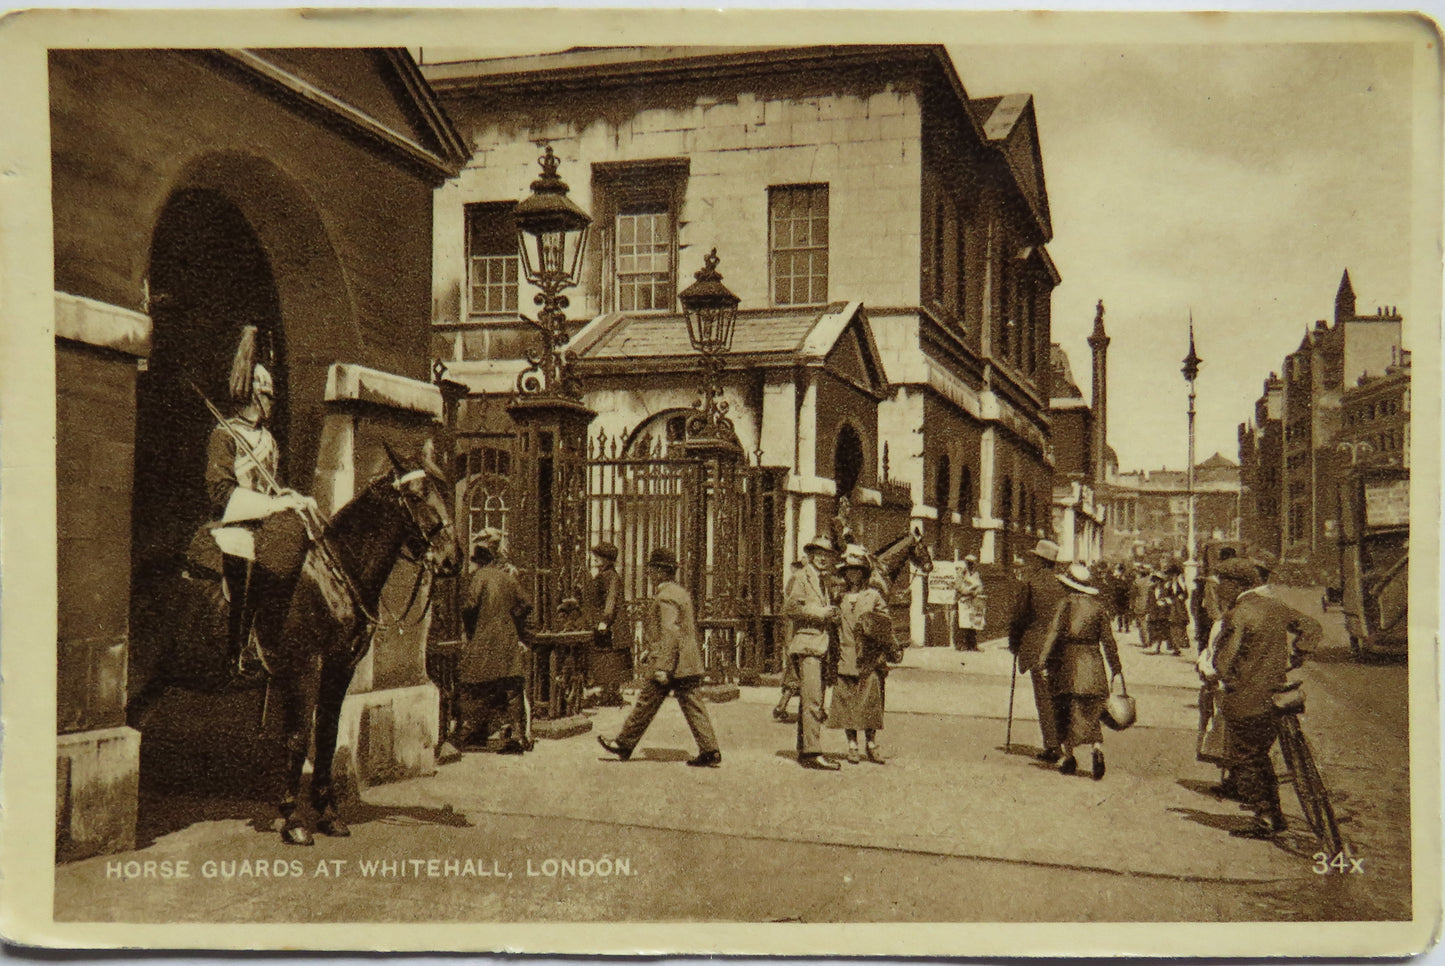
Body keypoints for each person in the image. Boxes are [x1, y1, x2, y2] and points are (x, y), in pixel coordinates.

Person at [202, 325, 314, 673]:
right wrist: (270, 505)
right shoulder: (224, 435)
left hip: (267, 526)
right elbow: (220, 491)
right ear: (255, 396)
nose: (272, 403)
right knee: (246, 566)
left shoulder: (269, 439)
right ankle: (237, 652)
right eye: (268, 397)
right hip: (235, 525)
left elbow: (273, 486)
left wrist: (290, 496)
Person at [1204, 557, 1323, 839]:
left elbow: (1222, 663)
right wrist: (1297, 656)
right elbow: (1313, 628)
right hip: (1278, 698)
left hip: (1246, 701)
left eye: (1222, 584)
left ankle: (1267, 816)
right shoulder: (1276, 607)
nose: (1219, 590)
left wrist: (1226, 675)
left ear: (1236, 585)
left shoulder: (1239, 614)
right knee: (1261, 756)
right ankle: (1273, 815)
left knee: (1247, 758)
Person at [598, 548, 721, 766]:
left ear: (661, 572)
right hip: (685, 661)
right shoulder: (680, 592)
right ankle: (710, 750)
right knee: (692, 704)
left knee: (647, 701)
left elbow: (670, 630)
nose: (648, 573)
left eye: (652, 569)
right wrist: (651, 649)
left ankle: (624, 743)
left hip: (672, 664)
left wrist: (663, 666)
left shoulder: (666, 596)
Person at [1034, 562, 1124, 780]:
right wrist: (1116, 667)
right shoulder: (1098, 607)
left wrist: (1042, 661)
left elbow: (1053, 634)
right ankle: (1097, 748)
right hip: (1093, 663)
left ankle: (1070, 756)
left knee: (1065, 709)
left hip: (1069, 662)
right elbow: (1108, 641)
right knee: (1092, 711)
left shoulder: (1064, 605)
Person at [460, 528, 534, 753]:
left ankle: (475, 734)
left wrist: (470, 629)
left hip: (485, 637)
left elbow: (470, 607)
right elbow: (527, 603)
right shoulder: (507, 577)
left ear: (479, 562)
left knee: (476, 687)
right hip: (507, 636)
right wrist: (513, 616)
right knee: (512, 688)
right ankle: (520, 738)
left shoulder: (480, 577)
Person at [829, 546, 895, 764]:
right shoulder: (840, 597)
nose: (853, 574)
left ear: (864, 573)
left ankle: (871, 744)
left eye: (857, 570)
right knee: (847, 701)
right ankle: (852, 745)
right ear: (845, 574)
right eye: (849, 571)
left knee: (870, 702)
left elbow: (885, 623)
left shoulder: (873, 596)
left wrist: (871, 625)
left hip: (868, 658)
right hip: (845, 656)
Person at [784, 535, 843, 770]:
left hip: (820, 645)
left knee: (810, 699)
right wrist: (820, 612)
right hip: (808, 645)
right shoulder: (801, 577)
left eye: (826, 554)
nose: (822, 557)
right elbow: (791, 608)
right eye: (818, 553)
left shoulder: (823, 580)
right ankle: (813, 752)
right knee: (813, 701)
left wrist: (832, 615)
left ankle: (805, 749)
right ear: (810, 555)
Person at [1008, 538, 1067, 761]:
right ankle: (1063, 743)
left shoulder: (1031, 583)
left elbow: (1019, 617)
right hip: (1061, 648)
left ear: (1039, 561)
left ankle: (1053, 746)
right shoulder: (1063, 584)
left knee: (1043, 697)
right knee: (1060, 696)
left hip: (1037, 646)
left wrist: (1014, 644)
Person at [587, 542, 630, 707]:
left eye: (599, 556)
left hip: (611, 625)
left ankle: (609, 694)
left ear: (607, 559)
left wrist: (604, 621)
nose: (595, 558)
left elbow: (611, 600)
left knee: (609, 658)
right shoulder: (604, 575)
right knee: (606, 659)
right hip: (607, 623)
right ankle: (607, 693)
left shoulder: (610, 576)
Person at [772, 559, 808, 721]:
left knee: (794, 672)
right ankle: (784, 706)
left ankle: (782, 705)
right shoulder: (799, 581)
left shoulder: (793, 582)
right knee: (798, 673)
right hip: (798, 636)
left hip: (793, 637)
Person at [953, 554, 985, 651]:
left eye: (972, 563)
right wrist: (966, 591)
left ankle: (972, 644)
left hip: (972, 600)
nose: (971, 565)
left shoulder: (976, 574)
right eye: (969, 563)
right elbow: (958, 586)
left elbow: (980, 586)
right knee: (962, 622)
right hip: (963, 600)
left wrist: (976, 592)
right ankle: (961, 644)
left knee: (973, 621)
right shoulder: (962, 573)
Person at [1111, 563, 1133, 633]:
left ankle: (1122, 627)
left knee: (1121, 614)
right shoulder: (1126, 577)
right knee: (1124, 614)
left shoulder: (1118, 578)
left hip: (1120, 597)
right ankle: (1125, 627)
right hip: (1124, 597)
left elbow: (1114, 588)